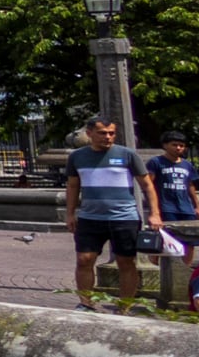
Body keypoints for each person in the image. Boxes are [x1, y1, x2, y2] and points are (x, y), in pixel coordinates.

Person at [64, 115, 163, 305]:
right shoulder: (77, 157)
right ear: (89, 133)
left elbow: (147, 185)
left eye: (111, 133)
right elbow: (73, 186)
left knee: (126, 262)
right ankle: (86, 303)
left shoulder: (127, 155)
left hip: (124, 217)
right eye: (102, 133)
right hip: (89, 217)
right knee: (84, 259)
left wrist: (155, 213)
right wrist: (70, 214)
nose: (108, 137)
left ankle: (124, 306)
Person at [144, 132, 199, 231]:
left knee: (190, 239)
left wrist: (197, 207)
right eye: (174, 145)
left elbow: (190, 186)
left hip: (186, 209)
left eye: (181, 146)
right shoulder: (156, 162)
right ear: (165, 145)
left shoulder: (187, 165)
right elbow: (148, 185)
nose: (178, 148)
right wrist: (154, 210)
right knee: (171, 240)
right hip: (166, 208)